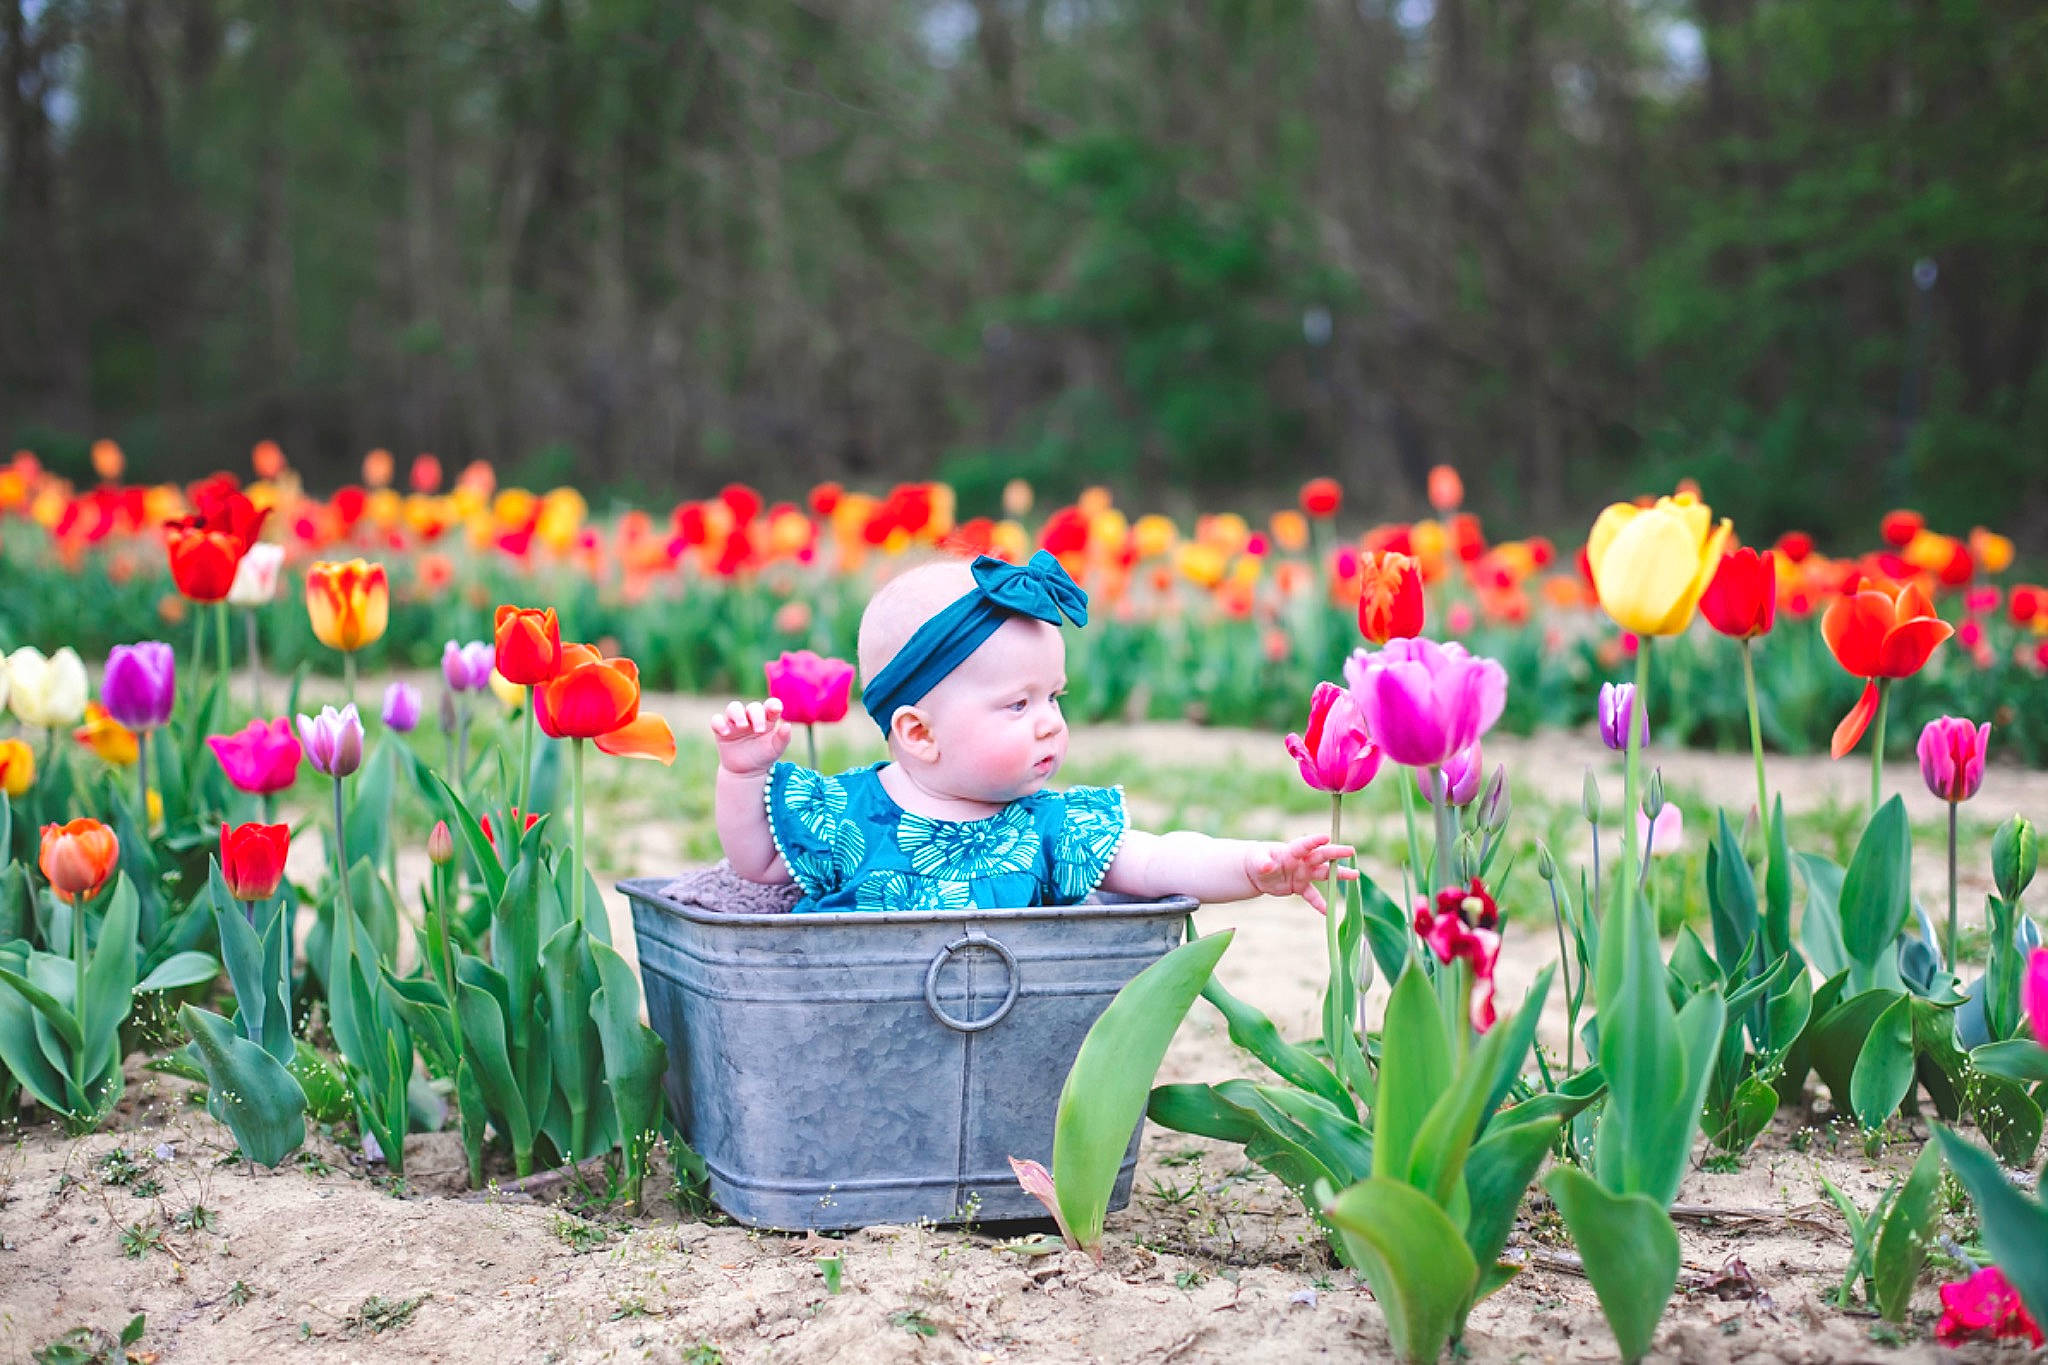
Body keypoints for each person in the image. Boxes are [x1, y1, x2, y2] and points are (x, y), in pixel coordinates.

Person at [712, 550, 1355, 914]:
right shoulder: (846, 815)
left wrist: (1251, 865)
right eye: (1018, 705)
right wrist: (743, 772)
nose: (1051, 722)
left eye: (1055, 697)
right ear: (918, 733)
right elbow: (758, 863)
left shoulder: (1050, 827)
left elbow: (1157, 859)